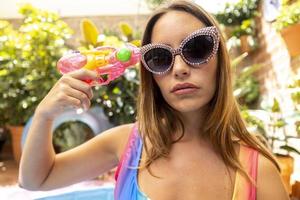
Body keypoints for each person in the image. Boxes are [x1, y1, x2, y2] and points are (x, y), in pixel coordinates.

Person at [19, 1, 290, 199]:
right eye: (160, 57)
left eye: (197, 49)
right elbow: (35, 180)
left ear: (221, 62)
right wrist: (45, 114)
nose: (180, 68)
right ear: (151, 73)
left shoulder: (258, 172)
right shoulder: (127, 144)